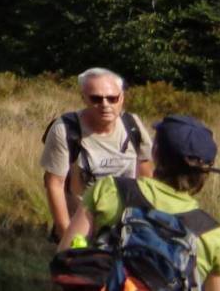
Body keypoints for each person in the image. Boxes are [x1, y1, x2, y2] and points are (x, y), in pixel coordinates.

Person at [60, 114, 220, 291]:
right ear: (205, 174)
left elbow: (64, 259)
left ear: (155, 152)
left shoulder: (110, 189)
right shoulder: (215, 236)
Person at [42, 67, 153, 240]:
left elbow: (147, 177)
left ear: (122, 98)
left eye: (112, 98)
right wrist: (66, 235)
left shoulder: (133, 125)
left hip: (127, 227)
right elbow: (54, 184)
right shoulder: (66, 129)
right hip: (82, 226)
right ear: (84, 98)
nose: (105, 105)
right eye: (96, 99)